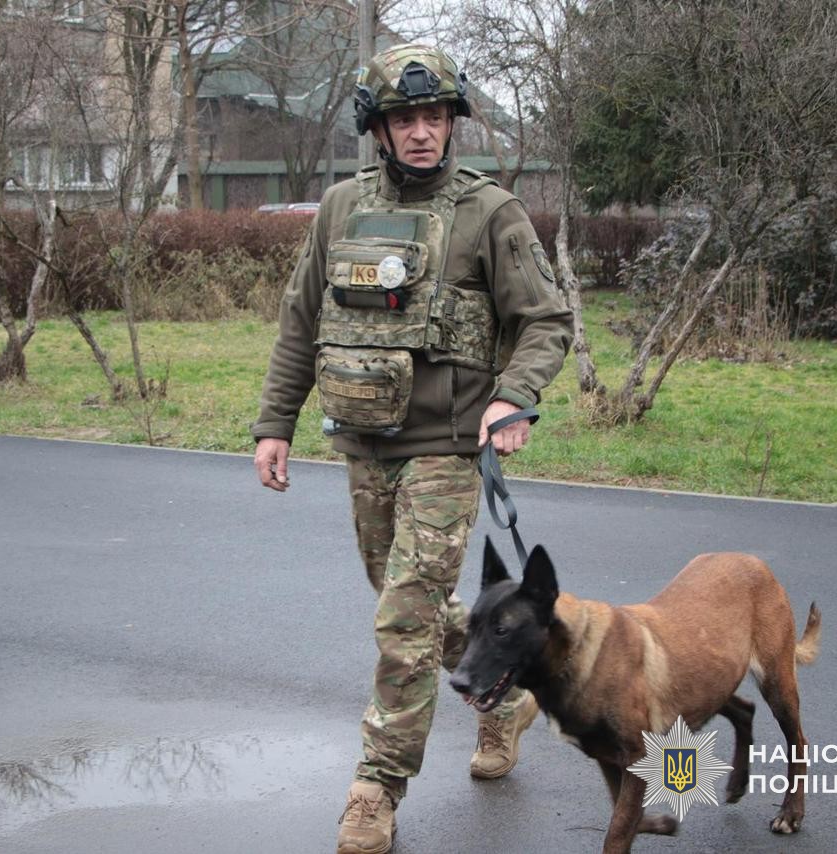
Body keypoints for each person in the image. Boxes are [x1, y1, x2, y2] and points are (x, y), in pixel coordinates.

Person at [251, 43, 573, 854]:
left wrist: (514, 395)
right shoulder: (340, 209)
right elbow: (300, 320)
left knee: (403, 618)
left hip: (449, 449)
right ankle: (505, 702)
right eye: (405, 118)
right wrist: (273, 424)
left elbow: (545, 320)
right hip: (364, 443)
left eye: (434, 117)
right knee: (414, 608)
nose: (422, 132)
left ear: (450, 123)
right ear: (380, 128)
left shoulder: (489, 212)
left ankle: (376, 787)